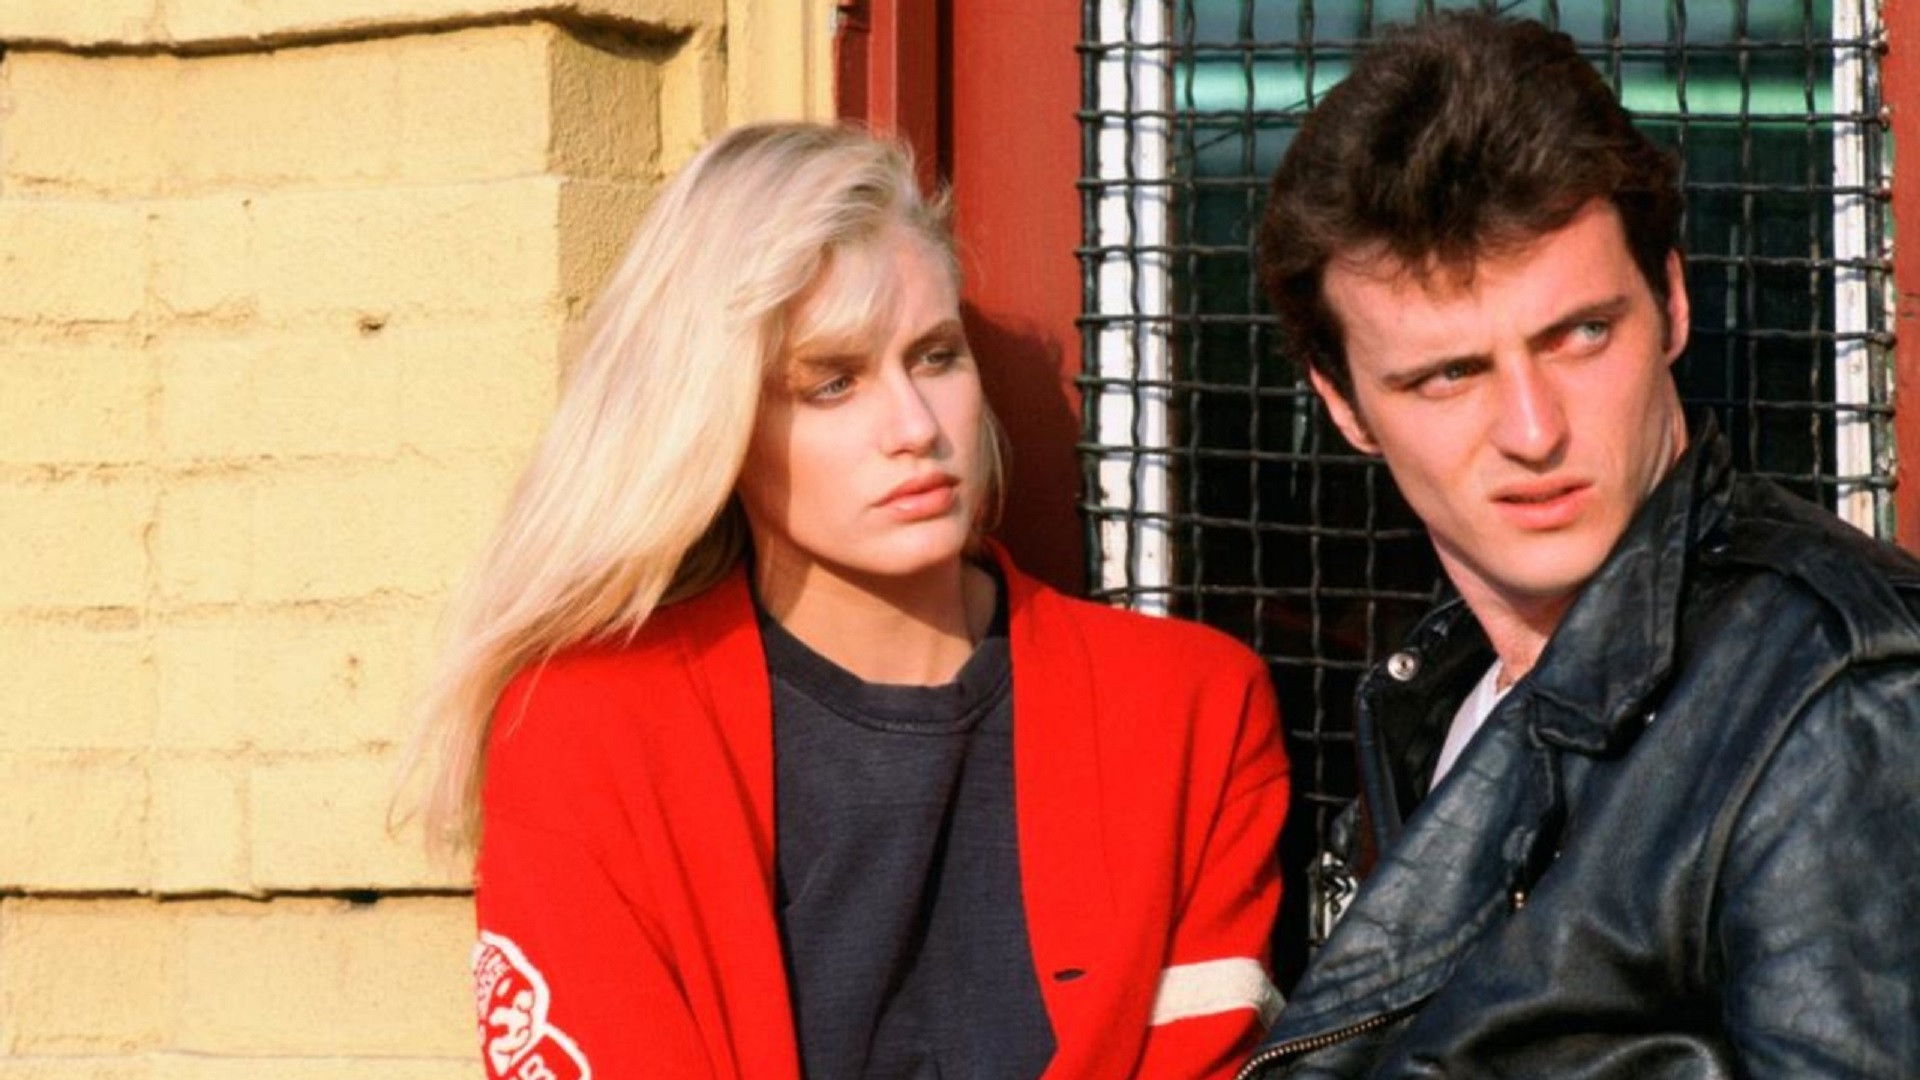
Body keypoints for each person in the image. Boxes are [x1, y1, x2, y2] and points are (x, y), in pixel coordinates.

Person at [405, 122, 1290, 1080]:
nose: (914, 427)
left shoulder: (1188, 709)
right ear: (714, 421)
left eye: (936, 356)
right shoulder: (588, 731)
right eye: (831, 384)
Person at [1241, 13, 1920, 1078]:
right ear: (1345, 406)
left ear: (1673, 303)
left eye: (1581, 335)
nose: (1533, 430)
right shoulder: (1442, 693)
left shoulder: (1841, 688)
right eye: (1449, 375)